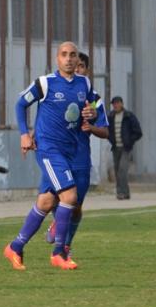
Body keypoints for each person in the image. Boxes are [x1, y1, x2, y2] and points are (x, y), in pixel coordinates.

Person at [3, 42, 99, 271]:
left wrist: (92, 114)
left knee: (46, 202)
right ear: (57, 59)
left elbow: (91, 108)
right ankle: (59, 252)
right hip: (49, 149)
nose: (68, 59)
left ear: (78, 61)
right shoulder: (45, 83)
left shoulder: (84, 83)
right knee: (69, 196)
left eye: (72, 55)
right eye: (64, 55)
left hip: (72, 151)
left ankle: (15, 247)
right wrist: (24, 135)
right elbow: (20, 104)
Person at [42, 52, 109, 251]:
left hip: (80, 155)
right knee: (53, 198)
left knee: (76, 207)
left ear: (86, 70)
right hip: (57, 153)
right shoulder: (55, 91)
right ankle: (60, 245)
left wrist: (92, 128)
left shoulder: (94, 99)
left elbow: (105, 132)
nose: (76, 68)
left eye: (80, 66)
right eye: (74, 64)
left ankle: (66, 241)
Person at [107, 96, 142, 200]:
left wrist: (130, 141)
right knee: (117, 171)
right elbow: (107, 131)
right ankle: (123, 193)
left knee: (122, 170)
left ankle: (122, 192)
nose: (116, 105)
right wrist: (111, 139)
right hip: (115, 148)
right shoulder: (110, 117)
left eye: (118, 103)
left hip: (126, 148)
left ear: (122, 104)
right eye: (114, 104)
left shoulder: (129, 116)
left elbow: (138, 132)